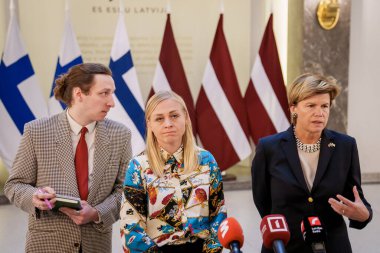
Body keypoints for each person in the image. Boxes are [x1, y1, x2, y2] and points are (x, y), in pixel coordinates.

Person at [4, 63, 132, 253]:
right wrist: (35, 198)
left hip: (96, 245)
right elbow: (14, 186)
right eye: (104, 93)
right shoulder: (37, 131)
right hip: (47, 244)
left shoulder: (120, 135)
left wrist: (97, 213)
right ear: (79, 94)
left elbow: (127, 190)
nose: (112, 102)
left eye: (112, 93)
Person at [251, 73, 372, 253]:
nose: (319, 113)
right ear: (293, 109)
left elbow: (355, 199)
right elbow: (263, 201)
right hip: (284, 246)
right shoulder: (269, 148)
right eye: (311, 106)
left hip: (332, 246)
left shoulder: (345, 146)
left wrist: (364, 216)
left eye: (325, 106)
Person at [120, 90, 227, 253]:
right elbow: (131, 226)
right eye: (159, 118)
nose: (168, 123)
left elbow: (219, 213)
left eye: (174, 116)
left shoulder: (206, 160)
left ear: (186, 118)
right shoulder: (138, 166)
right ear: (149, 124)